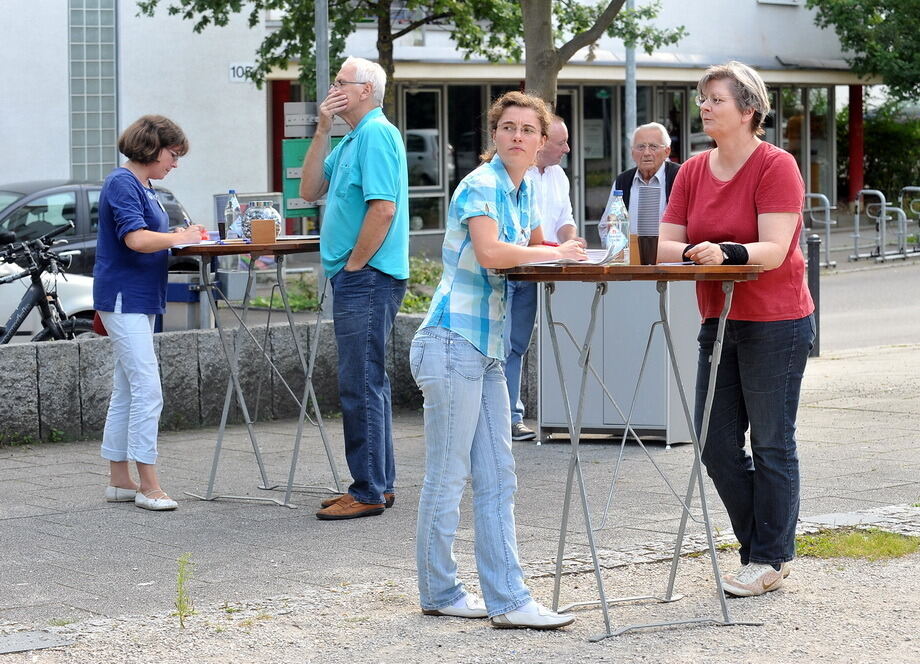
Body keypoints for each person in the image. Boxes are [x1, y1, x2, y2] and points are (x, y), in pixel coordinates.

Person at [411, 91, 586, 630]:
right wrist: (556, 253)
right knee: (449, 474)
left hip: (486, 349)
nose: (516, 136)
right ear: (495, 135)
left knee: (497, 476)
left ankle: (504, 600)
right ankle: (446, 590)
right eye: (507, 127)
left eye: (527, 130)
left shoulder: (526, 186)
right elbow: (492, 253)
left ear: (541, 142)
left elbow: (534, 245)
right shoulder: (482, 184)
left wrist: (570, 249)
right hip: (451, 340)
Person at [658, 61, 815, 597]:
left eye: (715, 99)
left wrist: (725, 251)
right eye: (702, 99)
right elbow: (663, 245)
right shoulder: (694, 171)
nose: (704, 107)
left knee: (772, 442)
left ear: (749, 110)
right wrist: (692, 251)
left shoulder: (777, 166)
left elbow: (774, 248)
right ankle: (762, 550)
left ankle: (768, 556)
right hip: (719, 320)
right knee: (715, 443)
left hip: (777, 322)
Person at [299, 56, 409, 520]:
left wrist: (355, 265)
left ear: (365, 90)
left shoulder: (378, 134)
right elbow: (308, 191)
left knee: (359, 383)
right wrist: (322, 127)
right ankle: (377, 484)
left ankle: (366, 490)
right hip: (360, 276)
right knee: (367, 381)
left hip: (366, 277)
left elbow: (382, 209)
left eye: (341, 82)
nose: (333, 88)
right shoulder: (351, 139)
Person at [95, 115, 205, 511]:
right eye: (173, 155)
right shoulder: (123, 182)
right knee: (147, 387)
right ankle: (149, 485)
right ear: (152, 148)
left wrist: (177, 240)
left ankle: (120, 481)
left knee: (127, 389)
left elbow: (147, 239)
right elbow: (137, 238)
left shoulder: (142, 185)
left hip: (136, 298)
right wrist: (179, 237)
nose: (174, 163)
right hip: (125, 297)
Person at [505, 115, 585, 441]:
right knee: (508, 345)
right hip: (516, 271)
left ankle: (529, 417)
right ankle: (507, 417)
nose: (567, 148)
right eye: (561, 142)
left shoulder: (558, 175)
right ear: (541, 143)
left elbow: (565, 219)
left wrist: (573, 242)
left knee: (532, 345)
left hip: (548, 271)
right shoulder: (514, 175)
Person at [613, 122, 681, 264]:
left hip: (672, 262)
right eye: (641, 147)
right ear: (632, 153)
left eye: (653, 146)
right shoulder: (623, 181)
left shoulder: (681, 176)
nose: (646, 153)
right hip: (631, 262)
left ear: (667, 151)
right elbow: (607, 224)